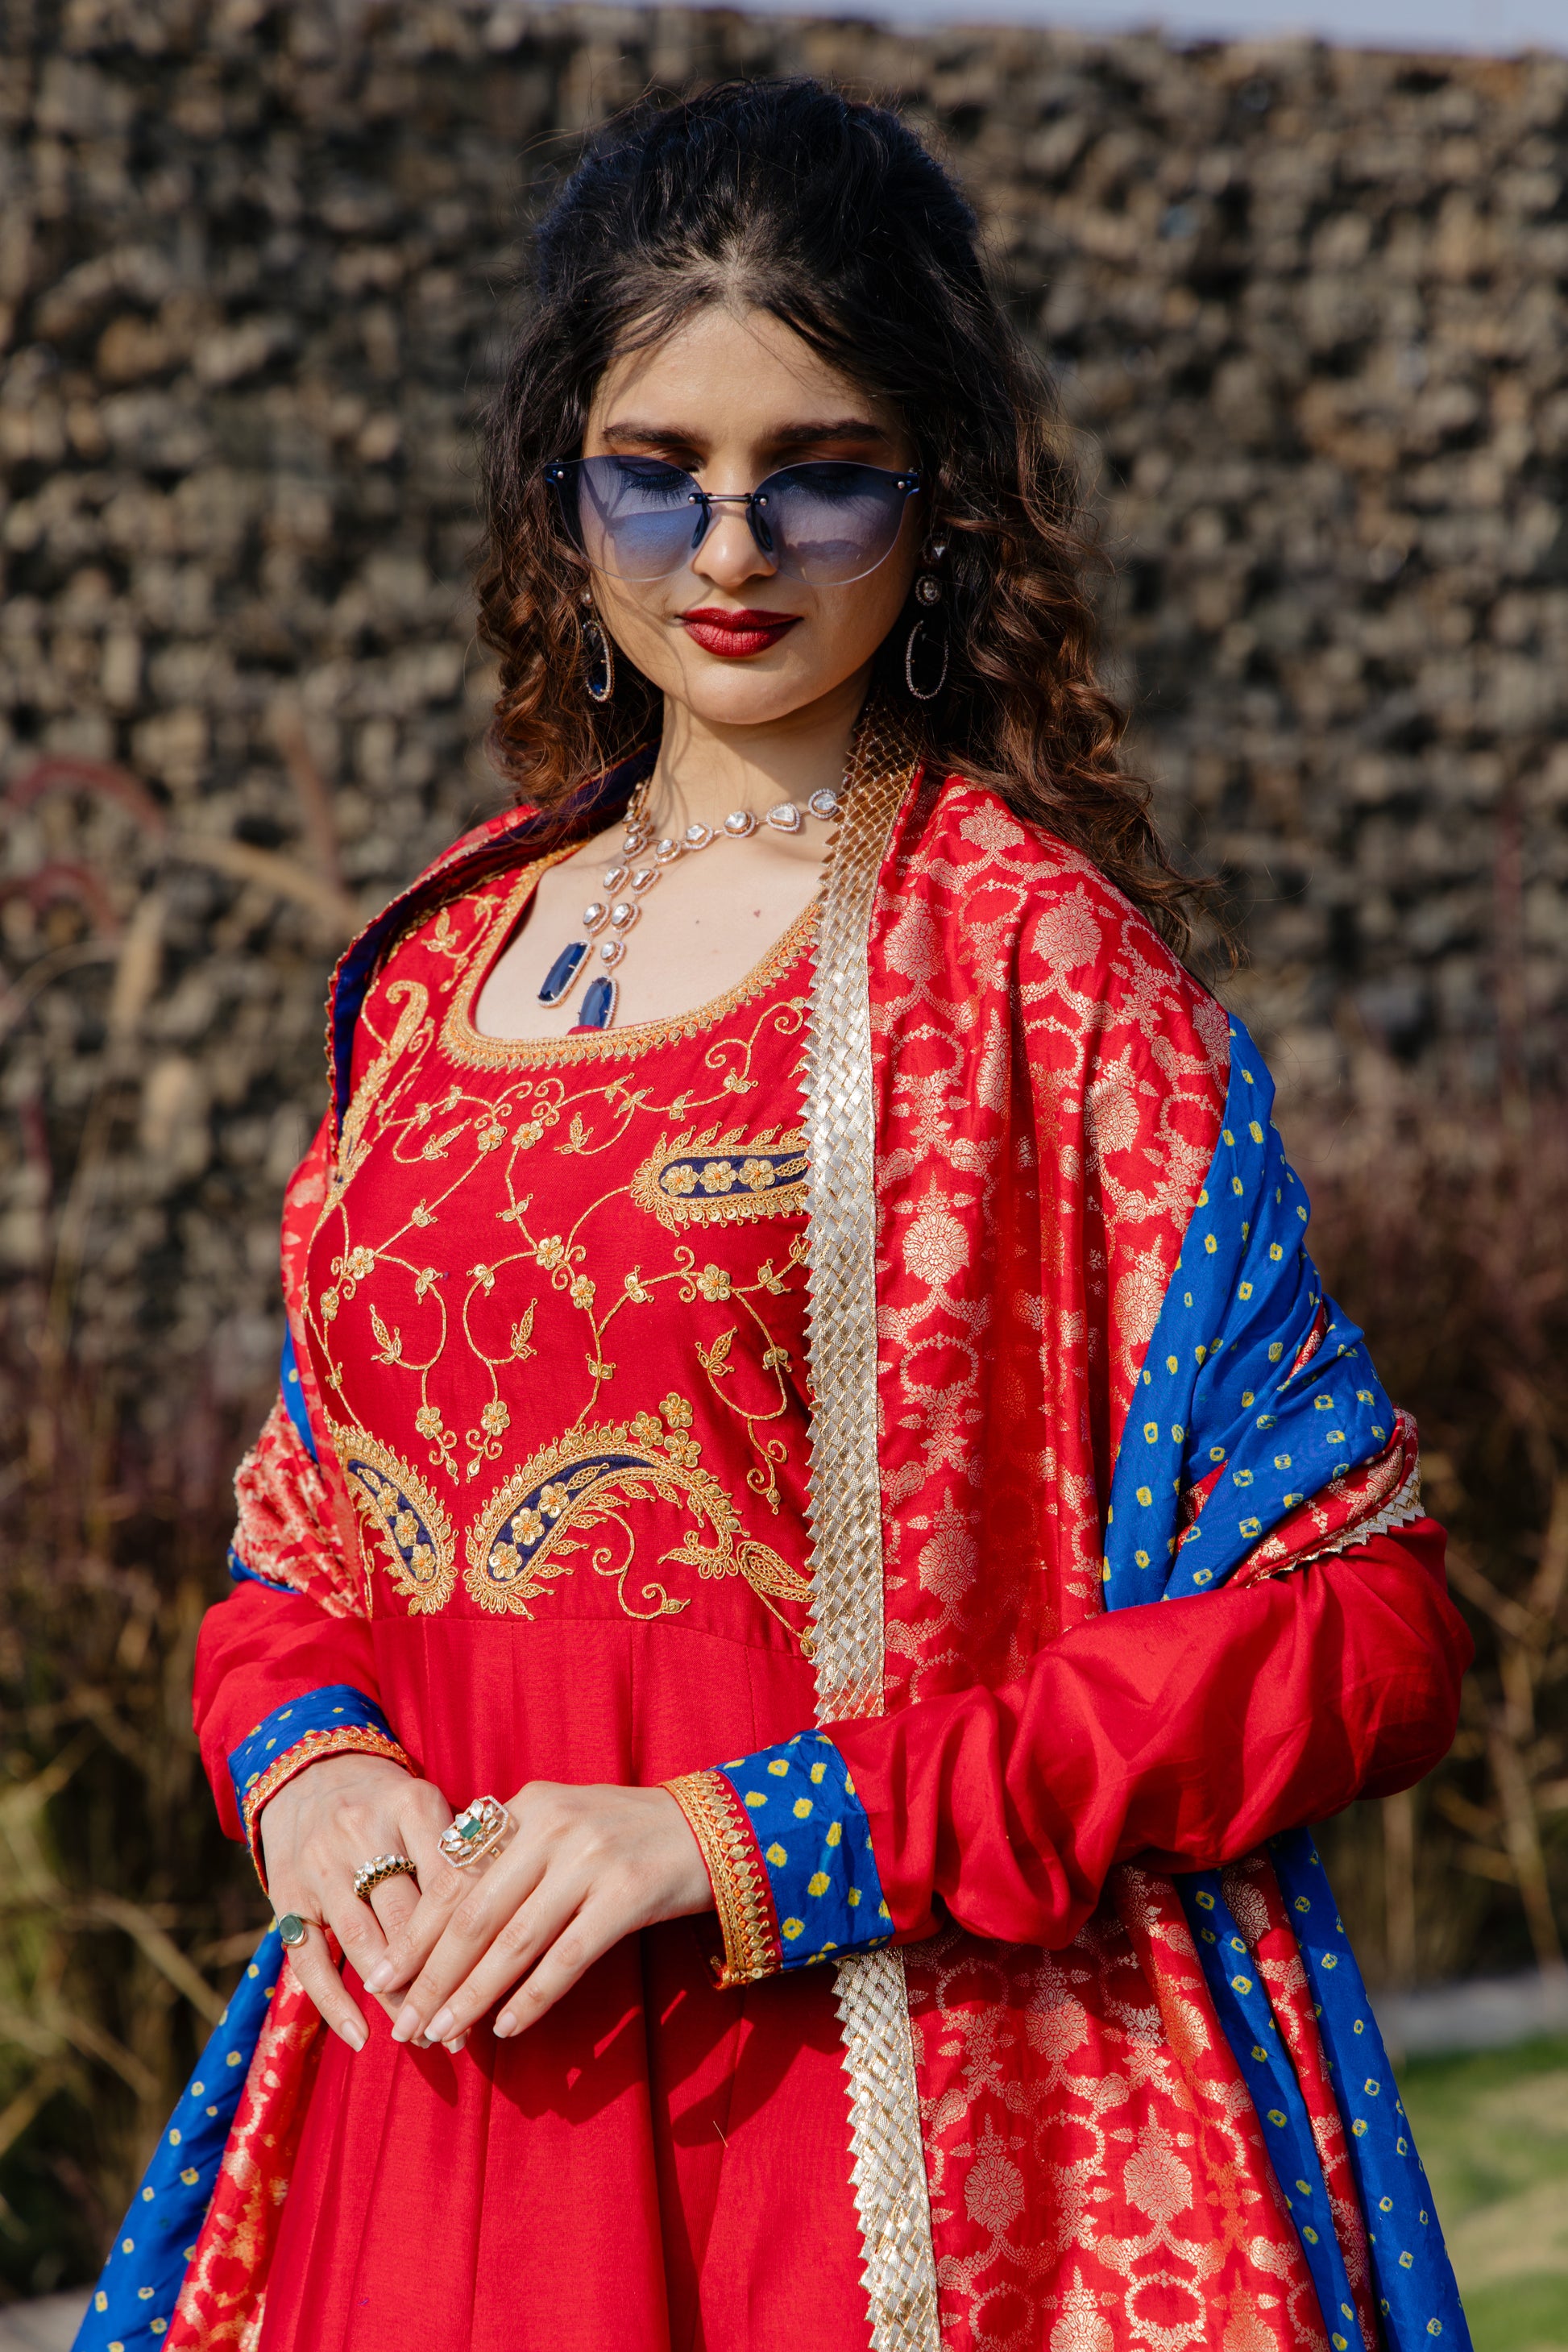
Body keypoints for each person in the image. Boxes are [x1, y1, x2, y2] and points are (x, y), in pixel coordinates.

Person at [77, 80, 1475, 2352]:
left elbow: (1357, 1622)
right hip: (417, 2125)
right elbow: (305, 1545)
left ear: (940, 502)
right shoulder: (433, 966)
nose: (729, 553)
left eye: (816, 472)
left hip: (840, 2144)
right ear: (562, 492)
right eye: (657, 475)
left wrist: (742, 1841)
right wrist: (313, 1774)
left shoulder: (1030, 972)